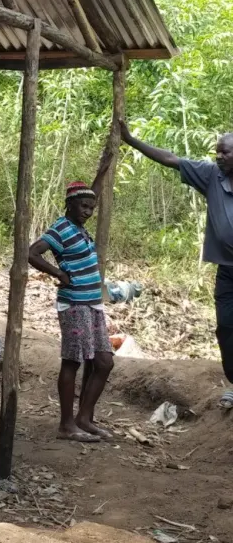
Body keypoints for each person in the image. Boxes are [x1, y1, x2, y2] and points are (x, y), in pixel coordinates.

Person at [119, 120, 233, 408]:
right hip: (227, 272)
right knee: (226, 327)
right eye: (217, 152)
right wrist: (131, 141)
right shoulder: (211, 176)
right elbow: (171, 159)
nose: (218, 157)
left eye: (225, 153)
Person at [28, 181, 113, 443]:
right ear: (70, 204)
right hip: (74, 304)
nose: (88, 211)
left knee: (104, 362)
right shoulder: (61, 228)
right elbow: (32, 253)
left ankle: (84, 418)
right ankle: (66, 425)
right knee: (72, 361)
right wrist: (58, 273)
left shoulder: (79, 228)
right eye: (83, 206)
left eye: (91, 208)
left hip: (92, 304)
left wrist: (101, 172)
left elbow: (92, 191)